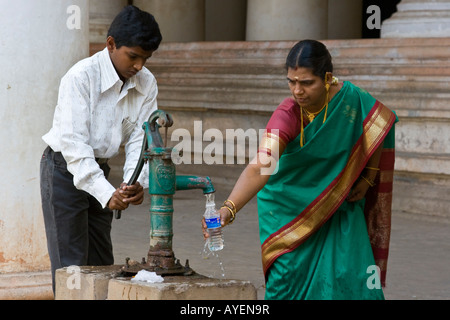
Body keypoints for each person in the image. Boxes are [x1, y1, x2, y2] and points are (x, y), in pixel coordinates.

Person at [202, 39, 398, 300]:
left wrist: (368, 177)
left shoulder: (351, 100)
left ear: (327, 78)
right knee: (286, 285)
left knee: (349, 282)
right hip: (288, 212)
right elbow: (261, 166)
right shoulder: (288, 114)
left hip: (338, 209)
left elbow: (382, 121)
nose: (297, 91)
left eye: (307, 83)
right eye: (291, 82)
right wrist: (228, 208)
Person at [40, 5, 162, 292]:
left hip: (100, 172)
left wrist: (134, 183)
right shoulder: (80, 77)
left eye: (146, 58)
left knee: (102, 264)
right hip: (63, 171)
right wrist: (107, 193)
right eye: (133, 56)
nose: (139, 66)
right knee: (72, 268)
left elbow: (140, 139)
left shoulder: (147, 83)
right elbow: (74, 144)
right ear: (111, 44)